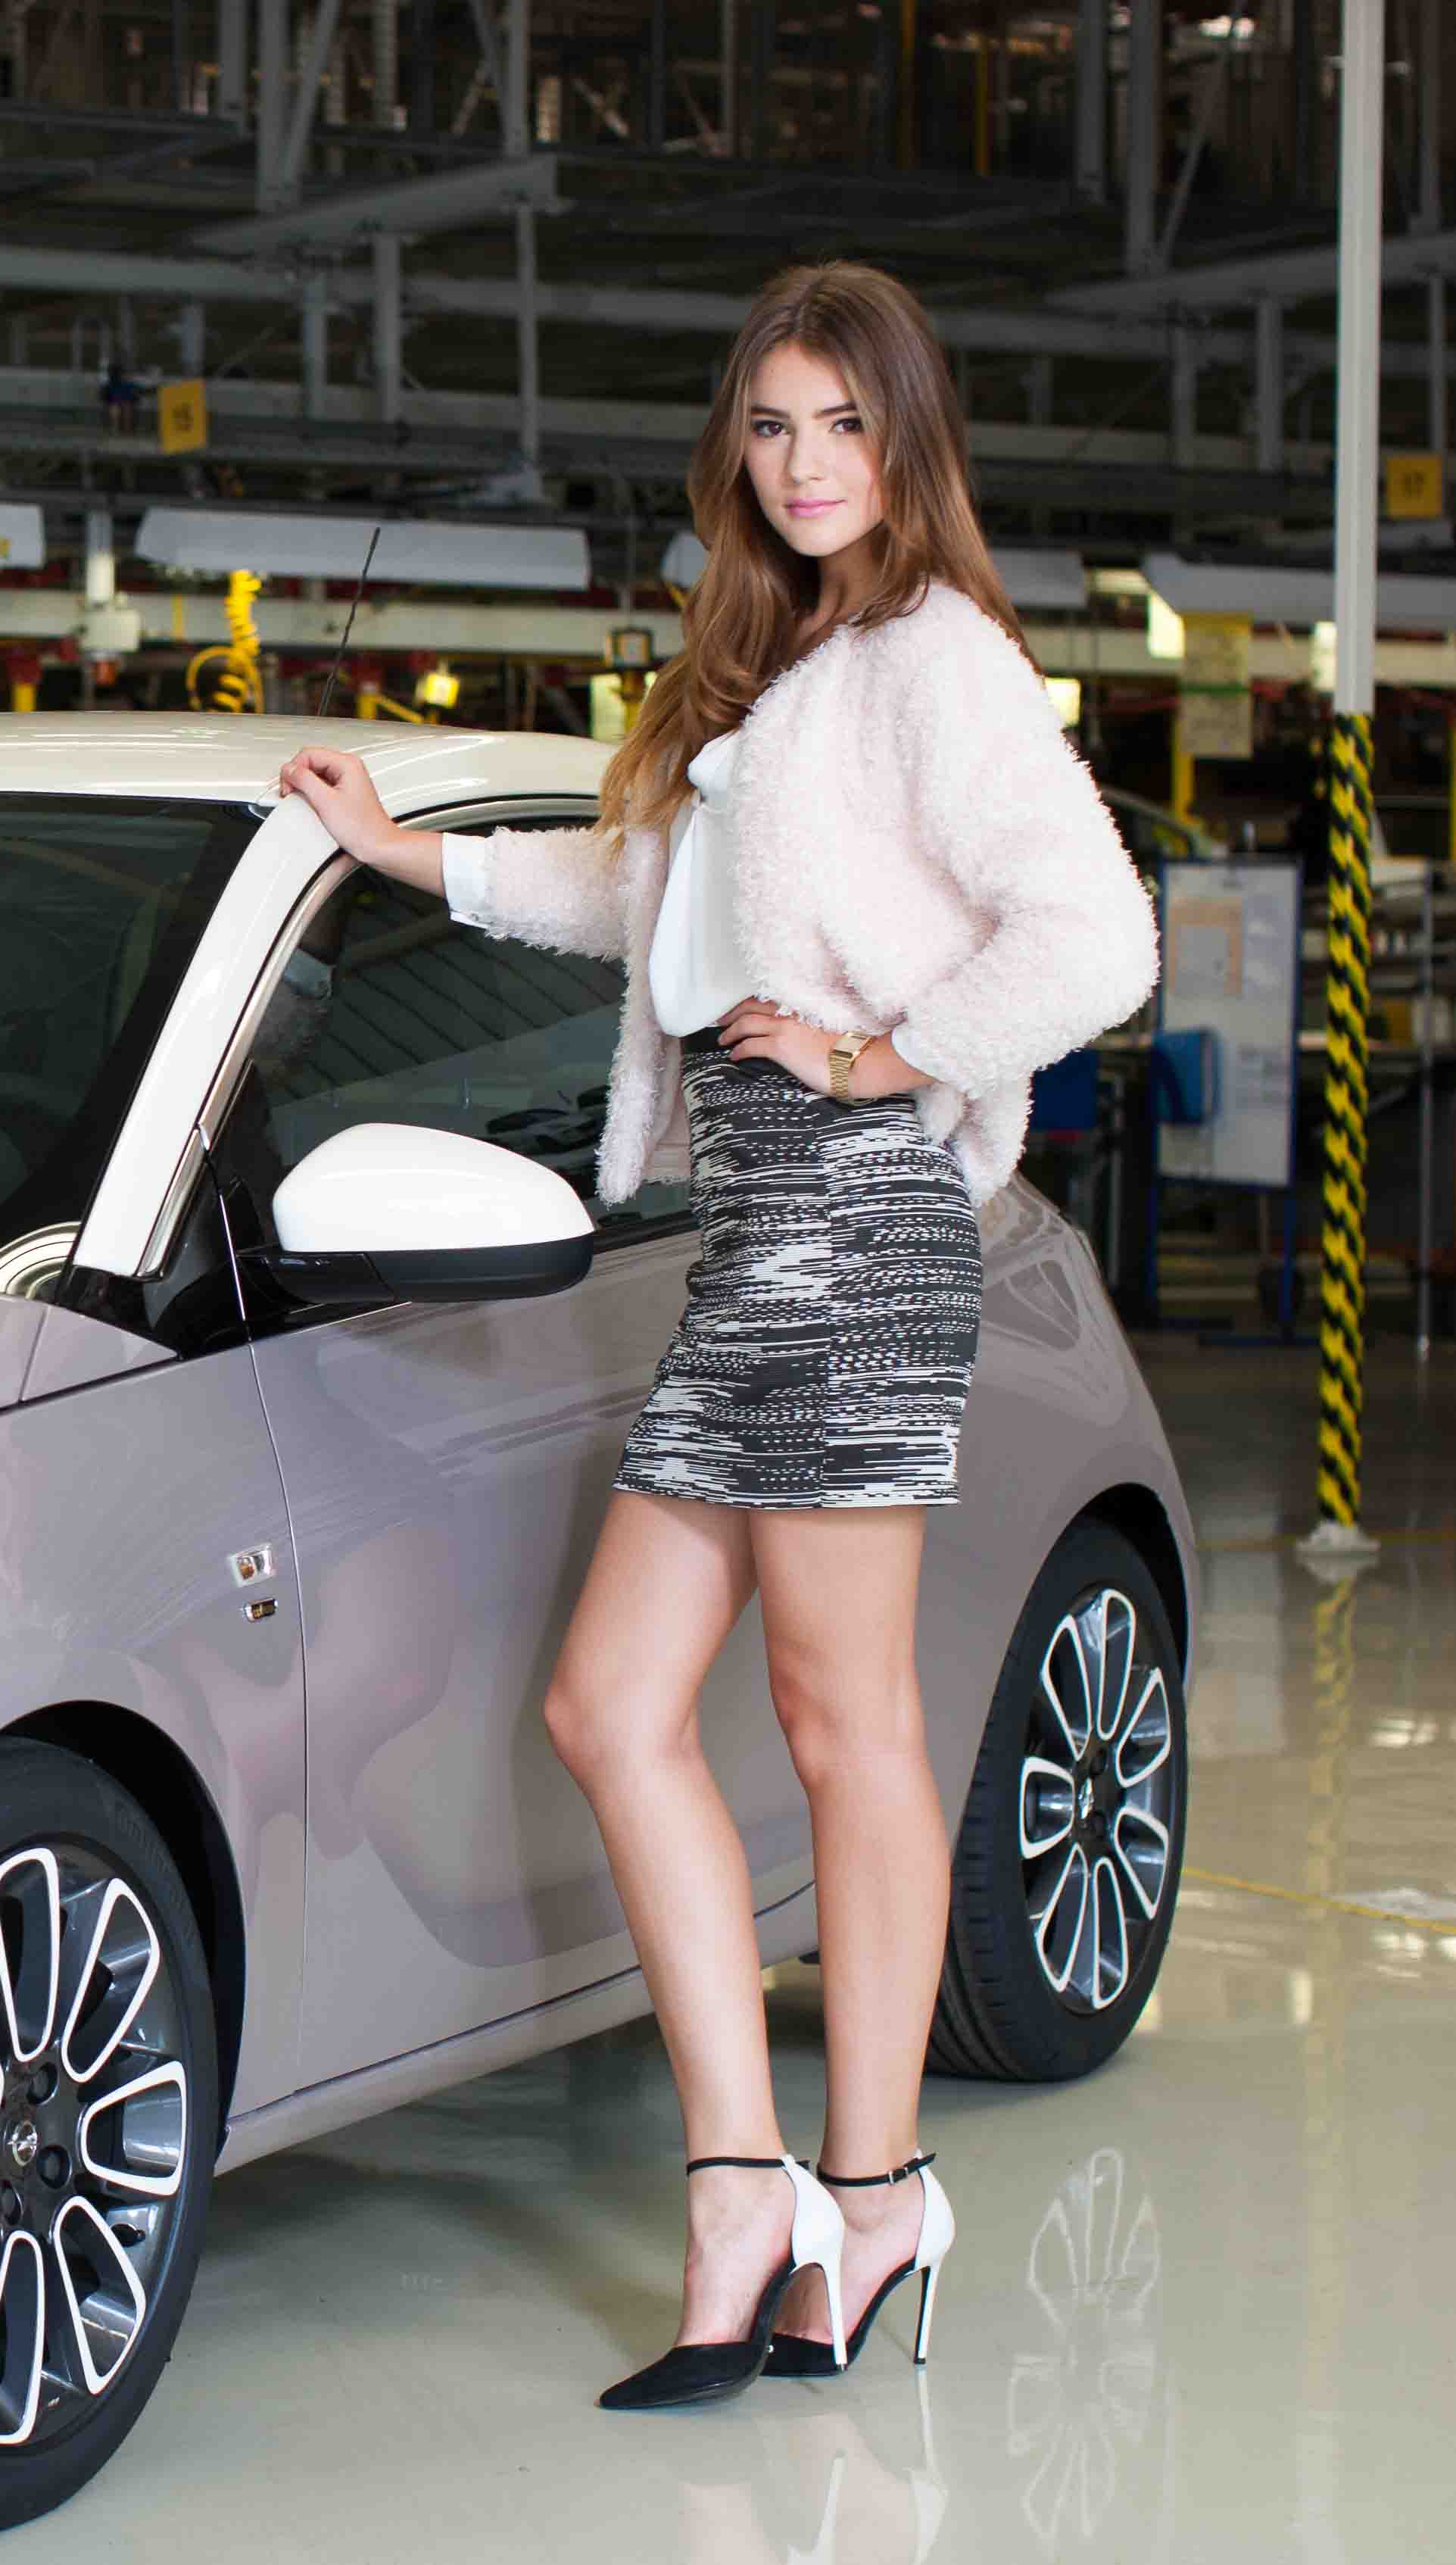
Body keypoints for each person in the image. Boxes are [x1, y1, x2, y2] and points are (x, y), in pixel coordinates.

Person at [277, 260, 1156, 2412]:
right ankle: (743, 2185)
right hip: (746, 1238)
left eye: (841, 424)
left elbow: (1102, 933)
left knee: (846, 1724)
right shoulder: (764, 667)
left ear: (908, 441)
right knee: (611, 1705)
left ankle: (869, 2188)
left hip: (856, 1221)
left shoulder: (937, 660)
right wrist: (408, 859)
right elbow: (639, 901)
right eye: (770, 426)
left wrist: (884, 1053)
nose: (803, 463)